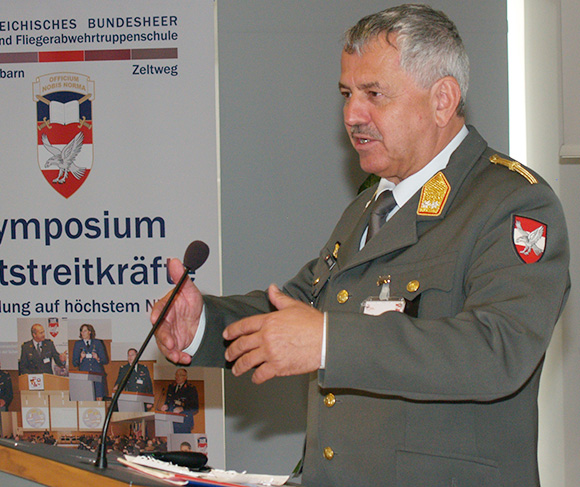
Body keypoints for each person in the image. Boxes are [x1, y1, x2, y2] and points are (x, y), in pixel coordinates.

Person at [152, 4, 570, 486]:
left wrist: (329, 341)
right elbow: (296, 308)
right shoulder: (370, 206)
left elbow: (497, 350)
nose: (352, 114)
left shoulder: (512, 203)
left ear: (442, 99)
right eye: (347, 94)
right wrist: (200, 321)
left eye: (374, 94)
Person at [71, 323, 109, 400]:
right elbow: (74, 363)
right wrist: (80, 358)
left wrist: (97, 358)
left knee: (99, 395)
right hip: (84, 375)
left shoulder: (97, 343)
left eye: (85, 331)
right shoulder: (78, 344)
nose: (83, 333)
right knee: (86, 396)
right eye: (81, 331)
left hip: (97, 373)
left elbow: (105, 360)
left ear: (90, 332)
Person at [159, 368, 199, 433]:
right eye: (176, 375)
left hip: (184, 423)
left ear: (185, 377)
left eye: (180, 375)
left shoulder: (190, 389)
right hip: (171, 422)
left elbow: (195, 407)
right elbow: (168, 401)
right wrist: (165, 406)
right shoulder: (171, 387)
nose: (177, 377)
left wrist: (182, 408)